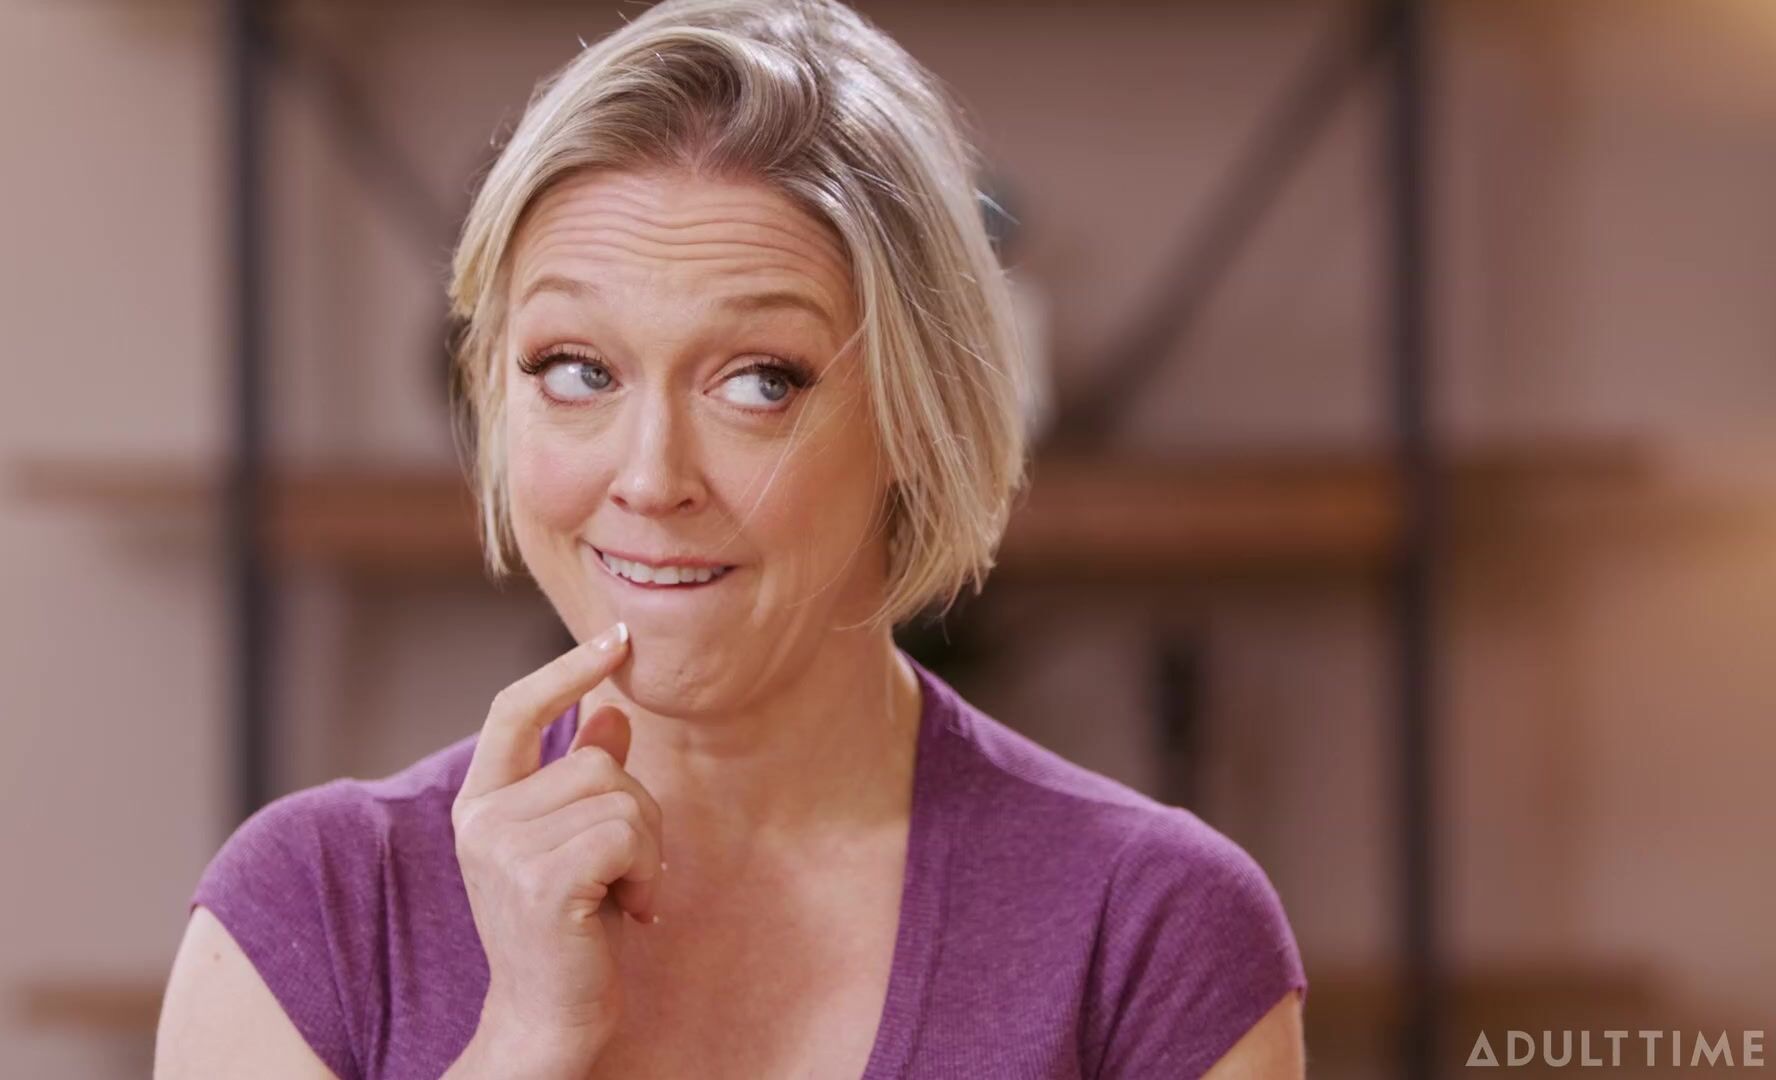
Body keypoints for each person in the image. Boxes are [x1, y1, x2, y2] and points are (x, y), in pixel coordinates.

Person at [154, 0, 1308, 1076]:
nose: (651, 479)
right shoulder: (312, 915)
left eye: (760, 381)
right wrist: (522, 1038)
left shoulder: (1153, 934)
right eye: (576, 370)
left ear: (917, 417)